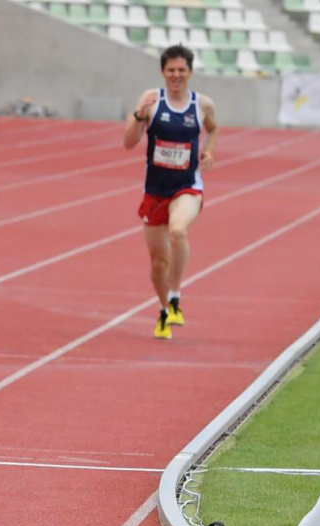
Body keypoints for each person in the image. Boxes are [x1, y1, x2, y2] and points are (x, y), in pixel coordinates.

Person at [123, 44, 219, 340]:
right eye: (171, 70)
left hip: (188, 186)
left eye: (181, 70)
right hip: (155, 190)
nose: (176, 75)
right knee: (157, 263)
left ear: (190, 72)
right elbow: (128, 142)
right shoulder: (151, 101)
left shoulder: (201, 105)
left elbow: (213, 129)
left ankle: (176, 296)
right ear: (163, 72)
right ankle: (164, 309)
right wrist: (140, 115)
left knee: (178, 231)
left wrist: (208, 152)